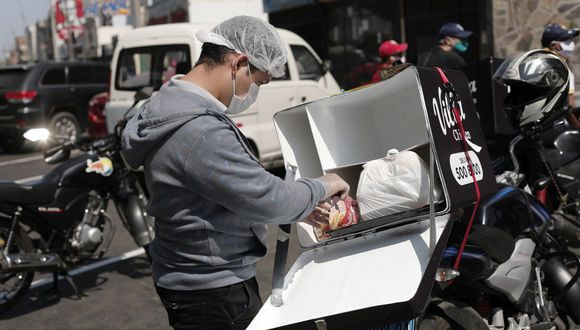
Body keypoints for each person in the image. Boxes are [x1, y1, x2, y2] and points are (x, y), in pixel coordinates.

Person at [121, 16, 349, 330]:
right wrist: (324, 185)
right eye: (258, 82)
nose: (254, 91)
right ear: (239, 62)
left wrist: (300, 206)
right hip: (213, 291)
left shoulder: (166, 105)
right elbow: (267, 197)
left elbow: (228, 191)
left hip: (190, 278)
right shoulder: (200, 130)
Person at [542, 23, 580, 128]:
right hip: (555, 128)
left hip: (534, 128)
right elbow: (569, 105)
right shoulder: (562, 69)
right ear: (554, 45)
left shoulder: (537, 62)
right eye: (567, 40)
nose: (571, 43)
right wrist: (577, 127)